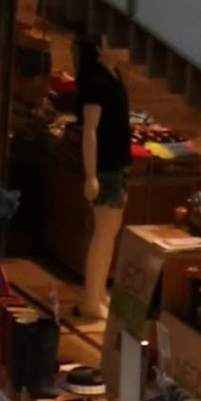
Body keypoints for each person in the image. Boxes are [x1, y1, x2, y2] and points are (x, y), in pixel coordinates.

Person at [72, 31, 131, 316]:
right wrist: (91, 174)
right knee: (104, 233)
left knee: (109, 231)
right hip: (105, 167)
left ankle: (97, 292)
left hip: (115, 164)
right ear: (101, 45)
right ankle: (91, 299)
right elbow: (90, 131)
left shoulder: (112, 75)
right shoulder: (96, 81)